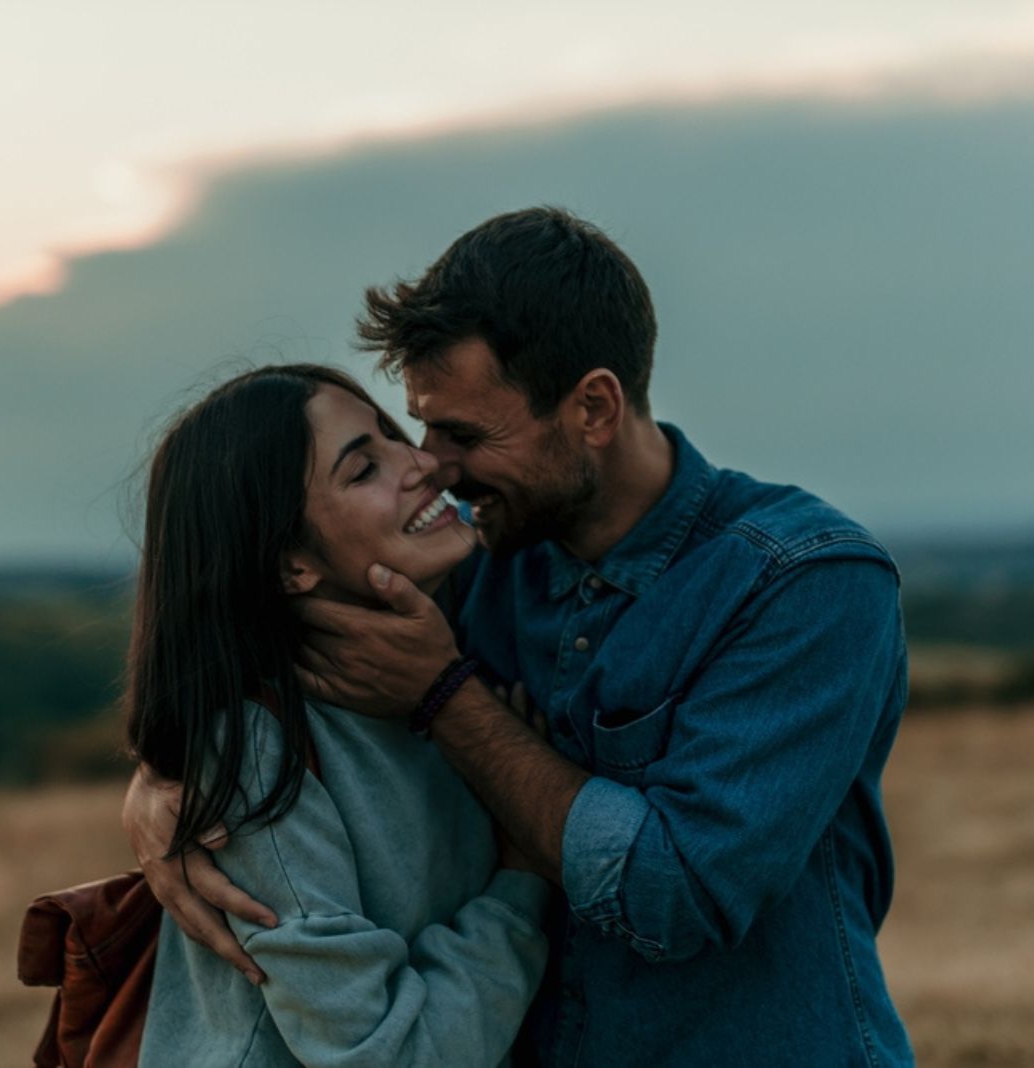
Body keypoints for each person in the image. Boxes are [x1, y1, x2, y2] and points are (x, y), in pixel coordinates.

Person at [126, 208, 915, 1065]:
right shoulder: (475, 565)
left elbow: (679, 892)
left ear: (594, 409)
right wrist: (175, 787)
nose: (430, 462)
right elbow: (245, 644)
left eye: (464, 434)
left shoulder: (804, 581)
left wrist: (447, 699)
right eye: (416, 426)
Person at [123, 363, 550, 1067]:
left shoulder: (478, 629)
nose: (423, 464)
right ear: (290, 566)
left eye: (392, 434)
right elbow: (381, 1057)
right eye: (363, 469)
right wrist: (524, 880)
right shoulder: (261, 752)